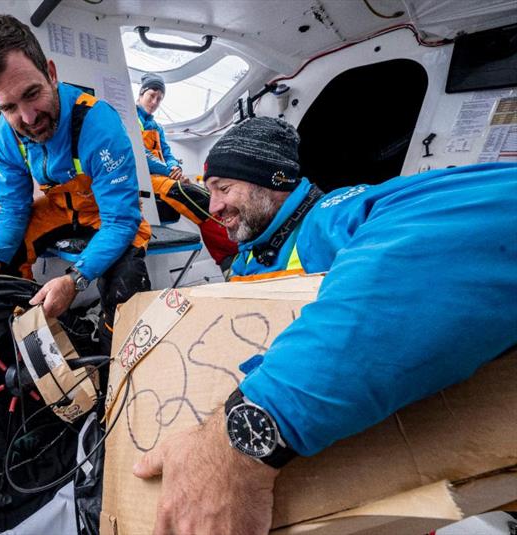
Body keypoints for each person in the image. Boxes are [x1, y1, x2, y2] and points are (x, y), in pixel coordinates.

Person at [132, 116, 517, 533]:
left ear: (273, 180)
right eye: (210, 192)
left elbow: (478, 217)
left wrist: (252, 428)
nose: (214, 207)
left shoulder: (328, 219)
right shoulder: (249, 255)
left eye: (224, 188)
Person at [0, 15, 152, 351]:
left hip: (108, 214)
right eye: (9, 107)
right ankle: (29, 347)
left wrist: (75, 280)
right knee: (1, 267)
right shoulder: (5, 136)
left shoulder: (98, 123)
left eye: (32, 94)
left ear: (51, 73)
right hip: (58, 210)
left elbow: (121, 220)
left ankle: (110, 359)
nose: (28, 118)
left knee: (126, 287)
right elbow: (12, 206)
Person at [136, 73, 237, 270]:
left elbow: (167, 152)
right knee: (188, 193)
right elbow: (141, 154)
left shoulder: (157, 127)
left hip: (162, 176)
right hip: (145, 179)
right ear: (141, 94)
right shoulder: (130, 119)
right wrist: (169, 171)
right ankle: (227, 252)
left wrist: (176, 167)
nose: (155, 102)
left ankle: (233, 243)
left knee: (205, 193)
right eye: (152, 96)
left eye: (159, 99)